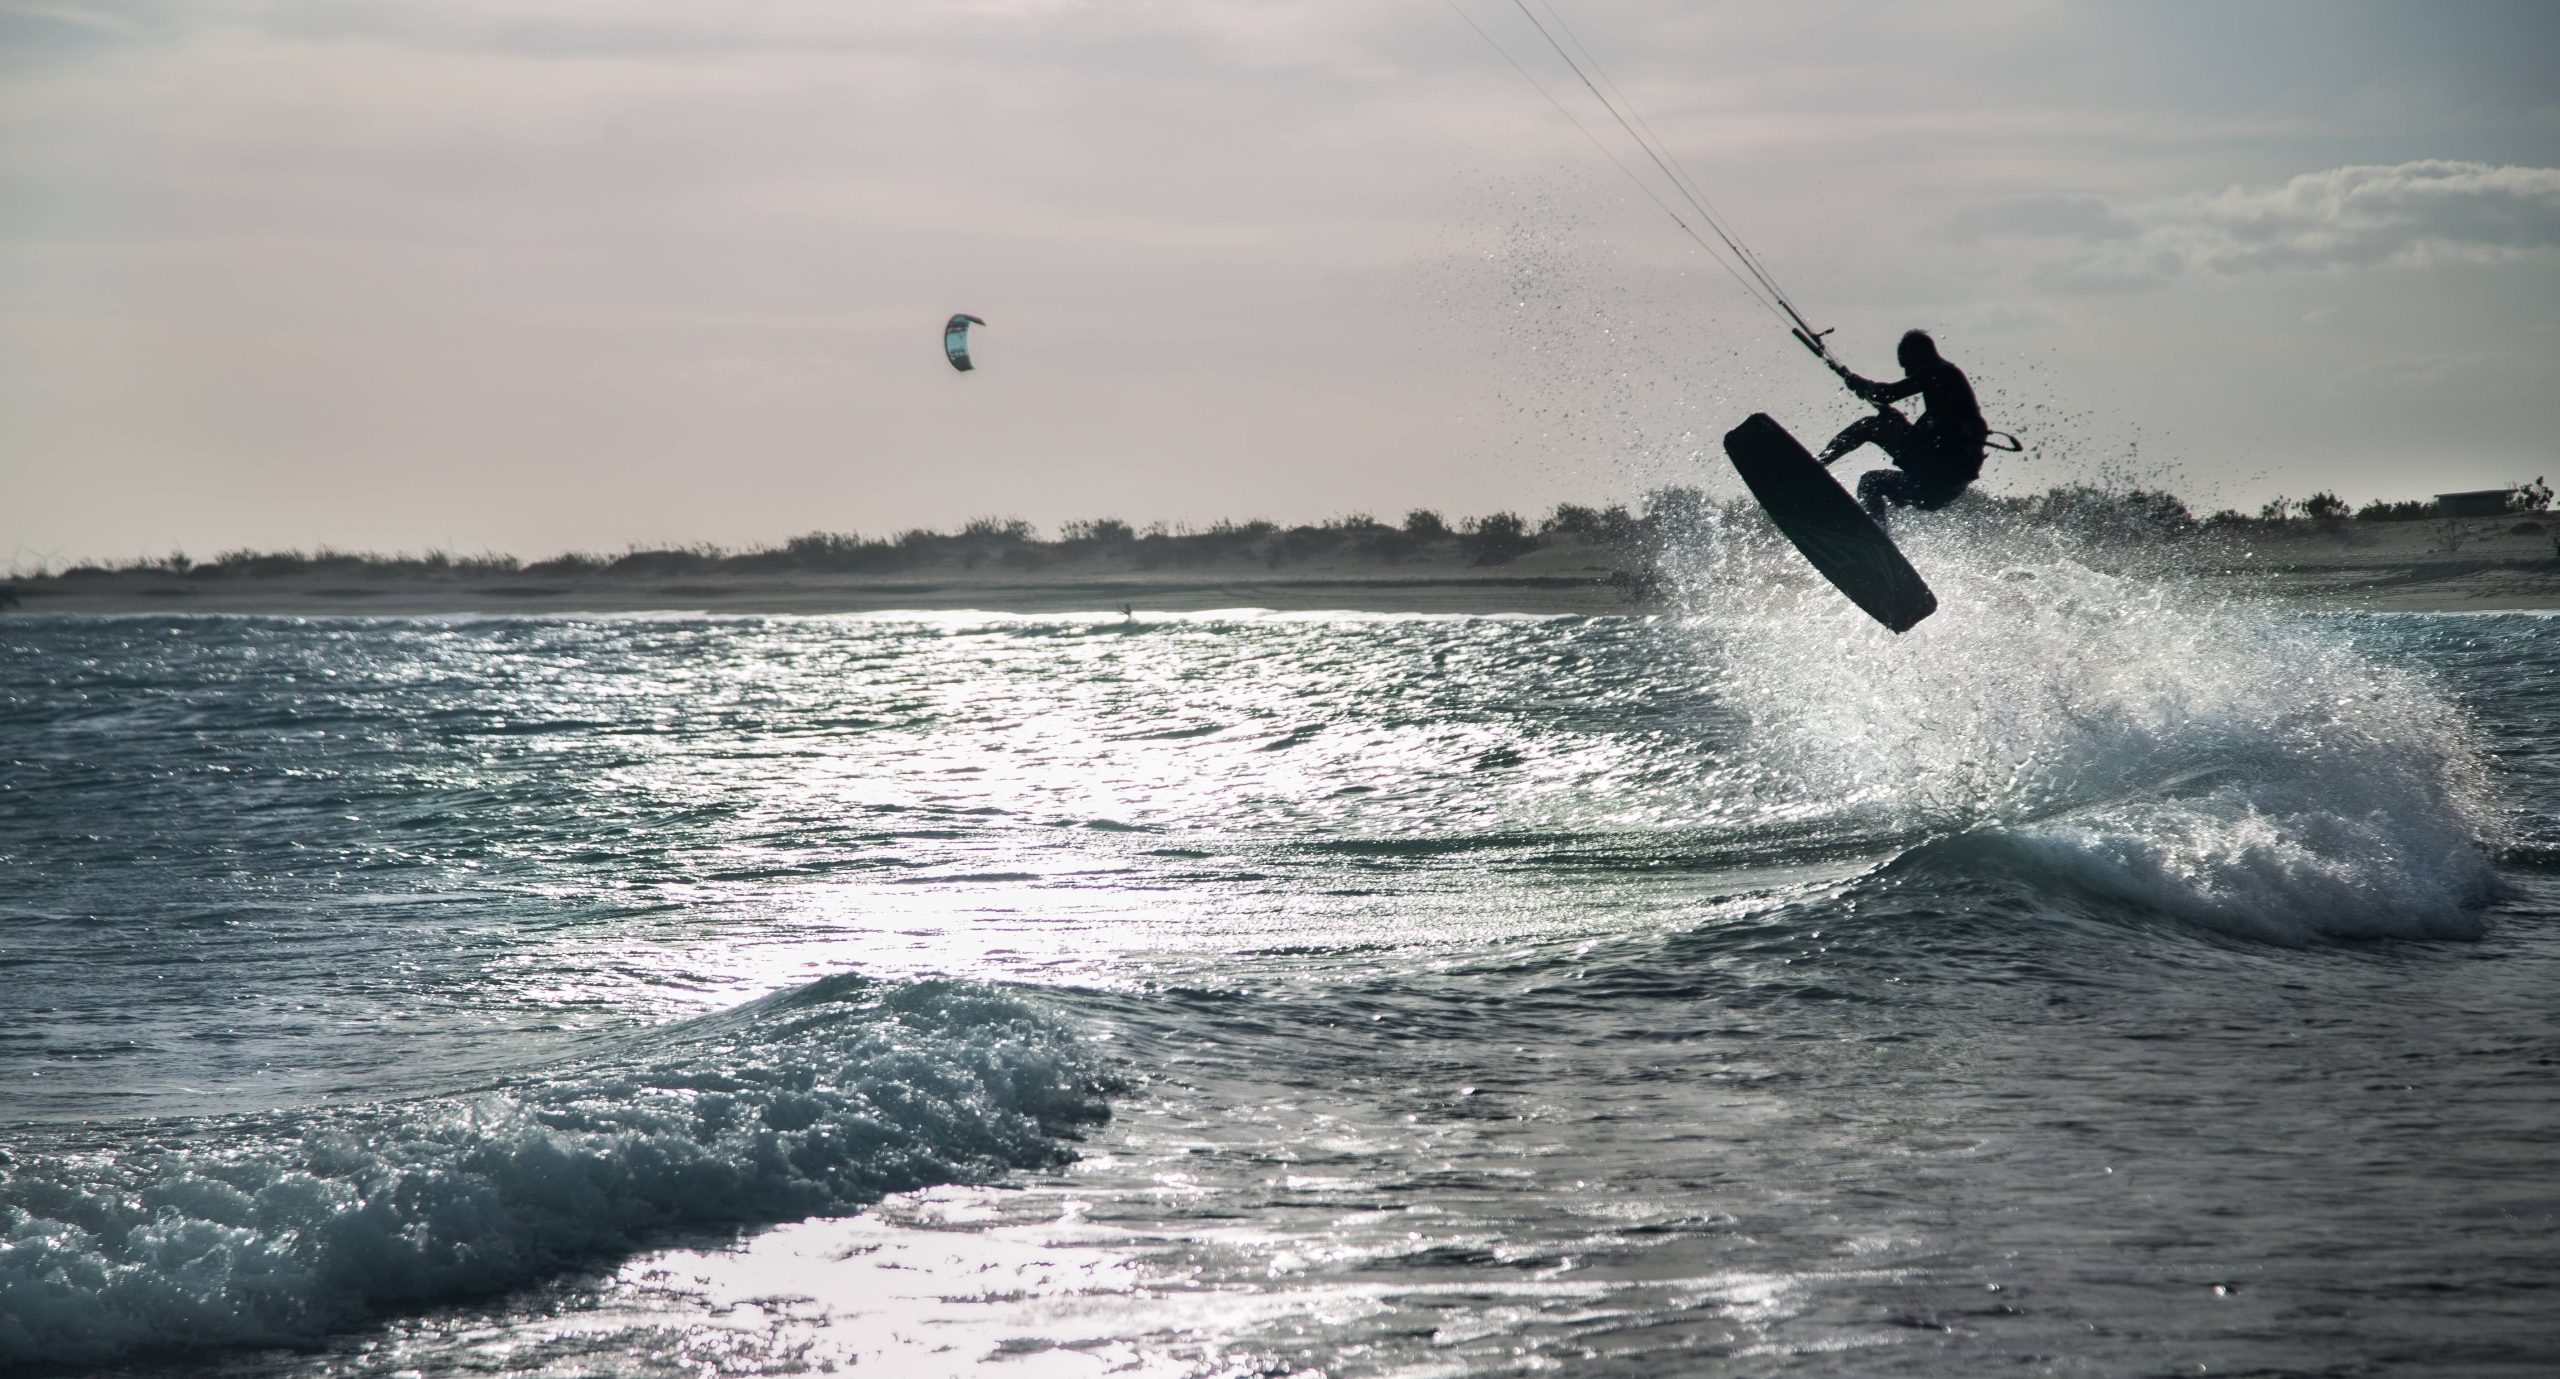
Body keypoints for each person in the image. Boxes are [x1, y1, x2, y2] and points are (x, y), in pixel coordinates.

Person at [1813, 329, 1988, 524]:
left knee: (1869, 429)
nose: (1906, 372)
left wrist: (1860, 383)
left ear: (1919, 354)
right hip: (1937, 476)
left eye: (1906, 365)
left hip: (1937, 477)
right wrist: (1892, 416)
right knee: (1871, 482)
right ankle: (1879, 538)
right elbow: (1926, 436)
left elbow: (1886, 394)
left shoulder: (1940, 372)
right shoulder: (1946, 390)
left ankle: (1817, 465)